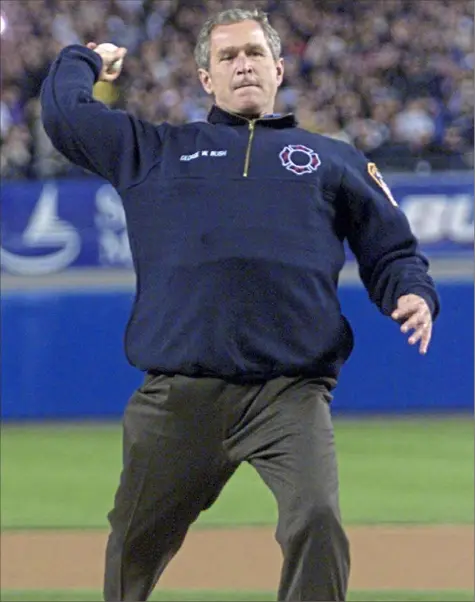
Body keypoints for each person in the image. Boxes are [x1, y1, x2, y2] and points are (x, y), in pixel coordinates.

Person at [40, 8, 440, 602]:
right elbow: (65, 115)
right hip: (180, 395)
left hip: (290, 391)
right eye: (227, 56)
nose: (242, 64)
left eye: (254, 53)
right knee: (132, 544)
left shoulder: (331, 159)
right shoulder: (156, 150)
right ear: (206, 78)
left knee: (318, 521)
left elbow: (392, 249)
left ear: (278, 68)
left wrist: (411, 292)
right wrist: (86, 60)